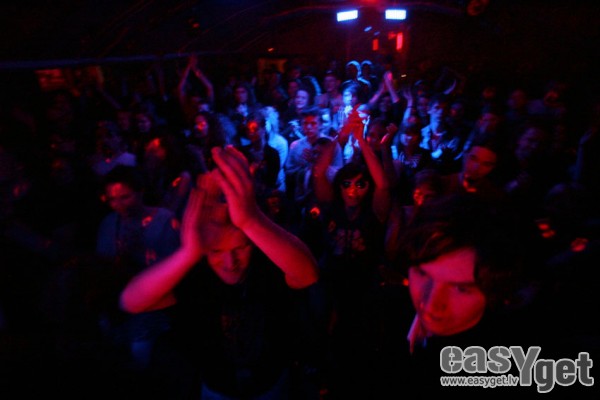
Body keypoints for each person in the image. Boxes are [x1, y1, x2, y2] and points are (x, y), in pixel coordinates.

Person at [119, 145, 320, 399]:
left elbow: (308, 273)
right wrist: (187, 254)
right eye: (216, 251)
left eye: (240, 248)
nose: (229, 262)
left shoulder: (268, 259)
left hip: (273, 384)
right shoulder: (195, 274)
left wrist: (250, 218)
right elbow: (131, 301)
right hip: (216, 389)